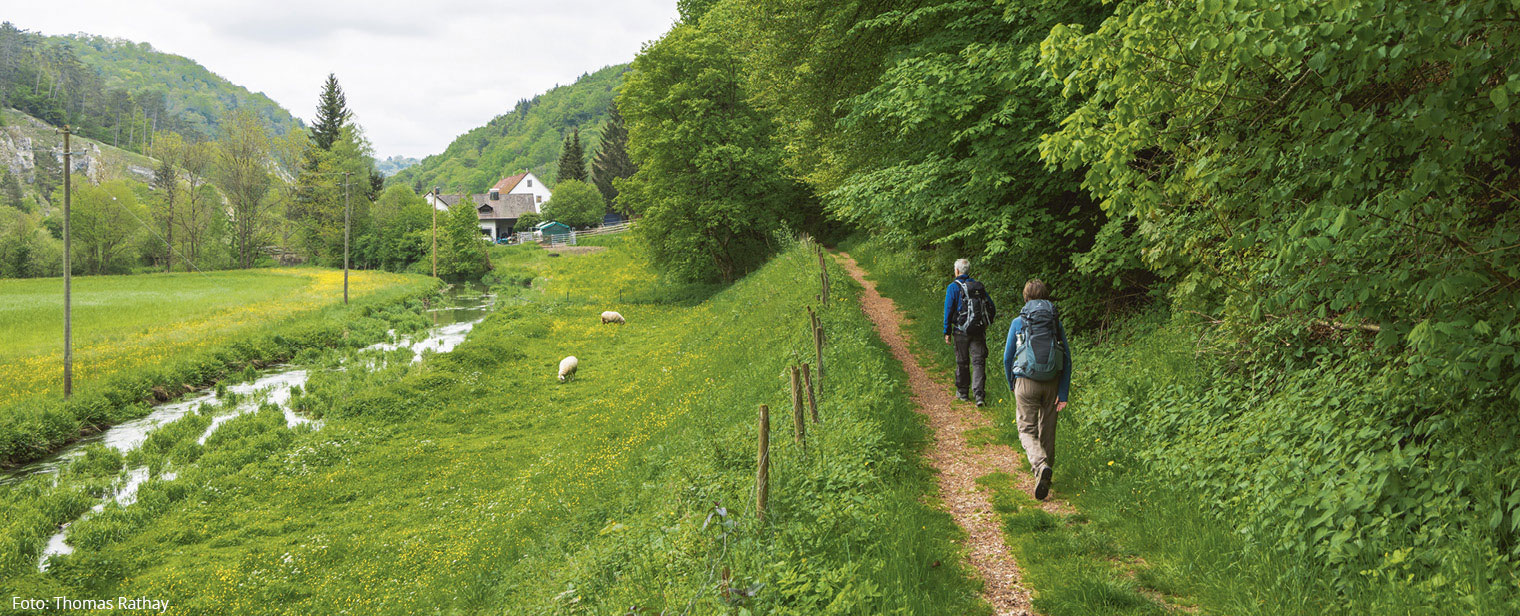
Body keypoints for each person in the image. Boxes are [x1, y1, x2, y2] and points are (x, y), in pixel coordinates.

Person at [1002, 278, 1072, 500]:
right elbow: (1067, 359)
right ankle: (1044, 475)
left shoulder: (1018, 322)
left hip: (1026, 381)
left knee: (1026, 430)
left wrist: (1012, 381)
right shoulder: (1054, 323)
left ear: (1026, 297)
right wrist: (1063, 392)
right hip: (1052, 381)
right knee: (1047, 431)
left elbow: (1007, 356)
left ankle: (1040, 467)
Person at [942, 258, 996, 406]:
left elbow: (948, 310)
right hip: (978, 330)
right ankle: (979, 396)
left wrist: (947, 331)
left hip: (961, 330)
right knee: (978, 362)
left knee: (962, 361)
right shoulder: (978, 287)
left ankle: (963, 393)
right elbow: (991, 307)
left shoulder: (953, 287)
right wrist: (985, 324)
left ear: (957, 271)